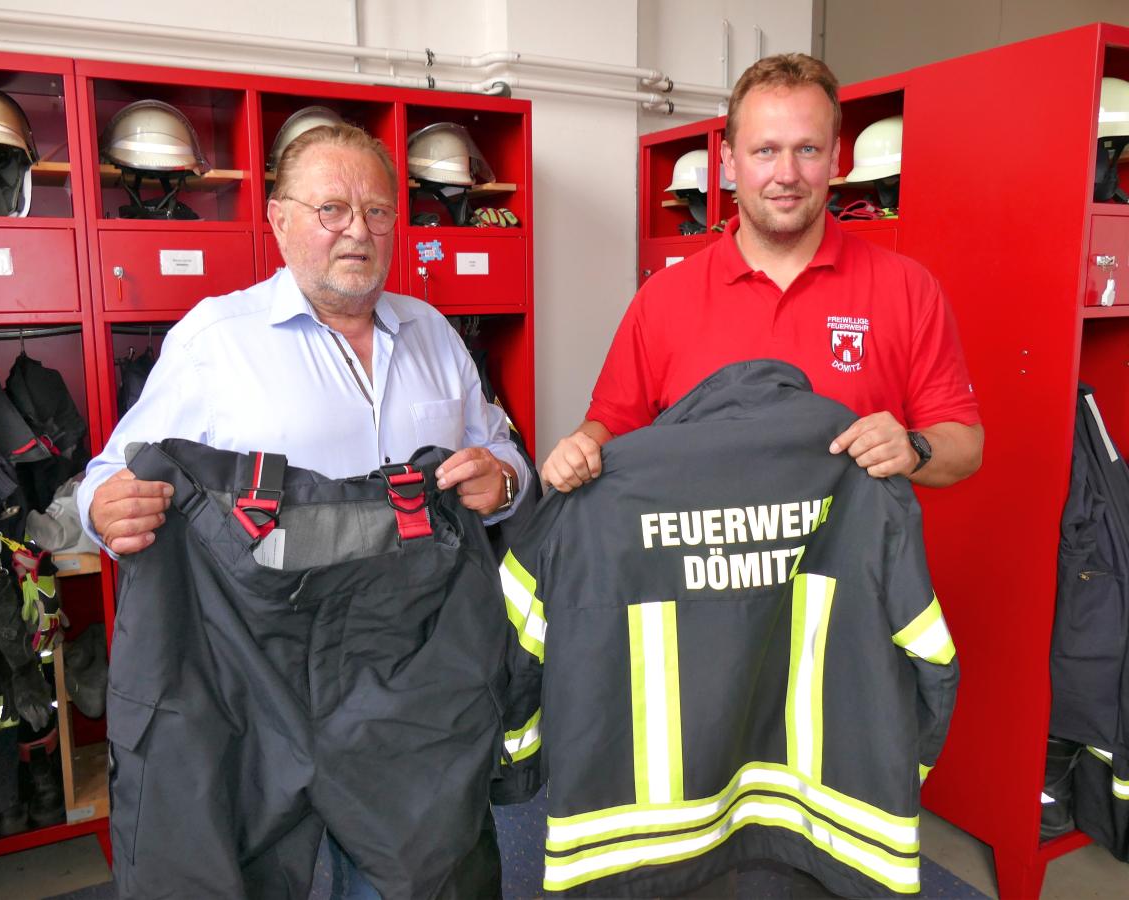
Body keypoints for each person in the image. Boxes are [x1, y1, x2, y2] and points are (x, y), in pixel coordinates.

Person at [75, 122, 529, 897]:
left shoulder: (436, 338)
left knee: (419, 878)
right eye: (331, 209)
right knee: (244, 873)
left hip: (410, 670)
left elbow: (502, 450)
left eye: (378, 211)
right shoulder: (215, 342)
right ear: (280, 220)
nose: (358, 229)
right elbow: (108, 474)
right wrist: (102, 509)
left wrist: (505, 480)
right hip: (260, 665)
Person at [542, 53, 982, 492]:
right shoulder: (663, 298)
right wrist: (579, 450)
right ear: (730, 163)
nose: (786, 174)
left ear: (833, 161)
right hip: (704, 560)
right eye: (766, 151)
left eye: (807, 149)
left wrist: (913, 447)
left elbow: (964, 444)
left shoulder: (907, 287)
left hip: (849, 561)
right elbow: (610, 427)